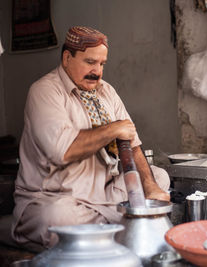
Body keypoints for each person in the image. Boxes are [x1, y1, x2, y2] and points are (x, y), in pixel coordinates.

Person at [11, 26, 170, 252]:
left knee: (159, 177)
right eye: (90, 62)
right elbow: (63, 151)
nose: (97, 71)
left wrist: (151, 187)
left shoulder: (106, 91)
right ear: (67, 58)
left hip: (103, 197)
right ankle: (118, 230)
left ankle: (103, 232)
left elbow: (132, 145)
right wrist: (112, 129)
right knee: (61, 216)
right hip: (54, 199)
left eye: (102, 64)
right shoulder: (44, 91)